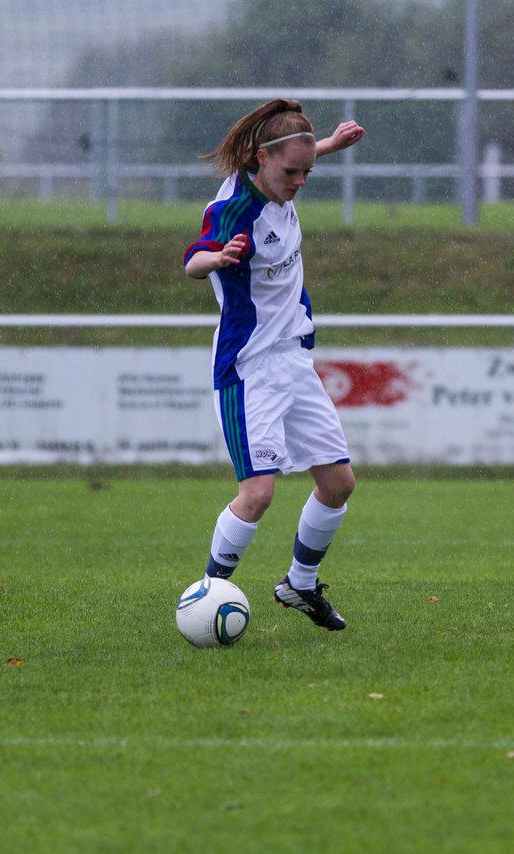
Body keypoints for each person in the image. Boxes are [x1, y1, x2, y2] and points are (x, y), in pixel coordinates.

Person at [182, 99, 365, 631]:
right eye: (293, 172)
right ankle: (208, 594)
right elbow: (193, 258)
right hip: (249, 368)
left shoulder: (278, 174)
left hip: (295, 361)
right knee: (258, 493)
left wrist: (327, 143)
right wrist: (215, 260)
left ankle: (299, 586)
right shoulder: (235, 210)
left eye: (308, 171)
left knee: (339, 484)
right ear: (261, 159)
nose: (301, 182)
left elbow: (294, 156)